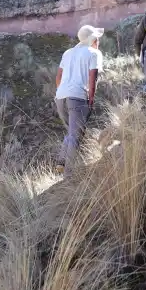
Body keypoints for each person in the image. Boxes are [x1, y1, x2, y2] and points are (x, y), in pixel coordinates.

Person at [54, 24, 104, 176]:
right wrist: (91, 98)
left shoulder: (68, 52)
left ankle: (61, 164)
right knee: (75, 136)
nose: (98, 41)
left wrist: (61, 92)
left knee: (72, 133)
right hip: (77, 97)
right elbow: (92, 77)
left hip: (60, 97)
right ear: (93, 39)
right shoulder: (94, 53)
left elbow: (58, 77)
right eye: (97, 38)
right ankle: (68, 176)